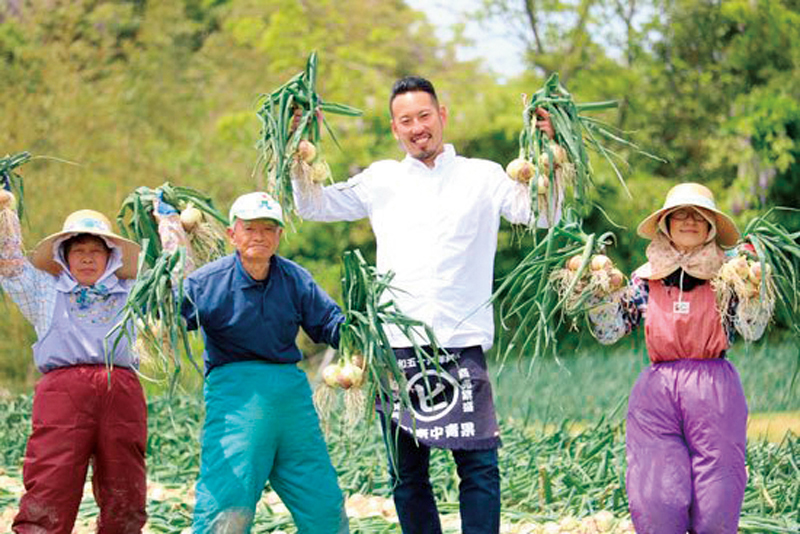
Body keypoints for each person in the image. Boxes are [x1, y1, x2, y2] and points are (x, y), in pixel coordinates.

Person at [292, 76, 555, 534]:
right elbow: (313, 206)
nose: (417, 128)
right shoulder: (381, 180)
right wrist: (297, 149)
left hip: (462, 343)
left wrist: (551, 153)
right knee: (407, 475)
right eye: (406, 121)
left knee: (479, 469)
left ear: (442, 116)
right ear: (395, 129)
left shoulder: (484, 176)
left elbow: (542, 213)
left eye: (424, 116)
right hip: (396, 349)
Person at [586, 183, 771, 534]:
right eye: (680, 214)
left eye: (698, 215)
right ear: (666, 224)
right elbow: (610, 331)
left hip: (715, 389)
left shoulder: (730, 274)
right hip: (657, 391)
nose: (689, 220)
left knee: (718, 489)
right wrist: (594, 294)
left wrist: (756, 292)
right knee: (654, 490)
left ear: (711, 227)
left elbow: (753, 329)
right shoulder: (645, 277)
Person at [160, 192, 349, 534]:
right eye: (249, 228)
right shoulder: (208, 282)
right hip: (237, 400)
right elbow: (170, 316)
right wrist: (162, 268)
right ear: (233, 234)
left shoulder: (296, 279)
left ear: (279, 235)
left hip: (292, 401)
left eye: (268, 228)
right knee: (228, 502)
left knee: (322, 501)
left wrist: (358, 336)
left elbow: (329, 323)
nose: (259, 236)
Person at [0, 198, 146, 534]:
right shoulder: (46, 292)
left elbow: (175, 275)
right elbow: (10, 266)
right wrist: (5, 212)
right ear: (63, 256)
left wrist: (170, 224)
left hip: (120, 391)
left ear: (111, 256)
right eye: (77, 249)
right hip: (63, 394)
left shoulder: (133, 292)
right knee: (51, 478)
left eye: (96, 250)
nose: (87, 257)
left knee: (125, 484)